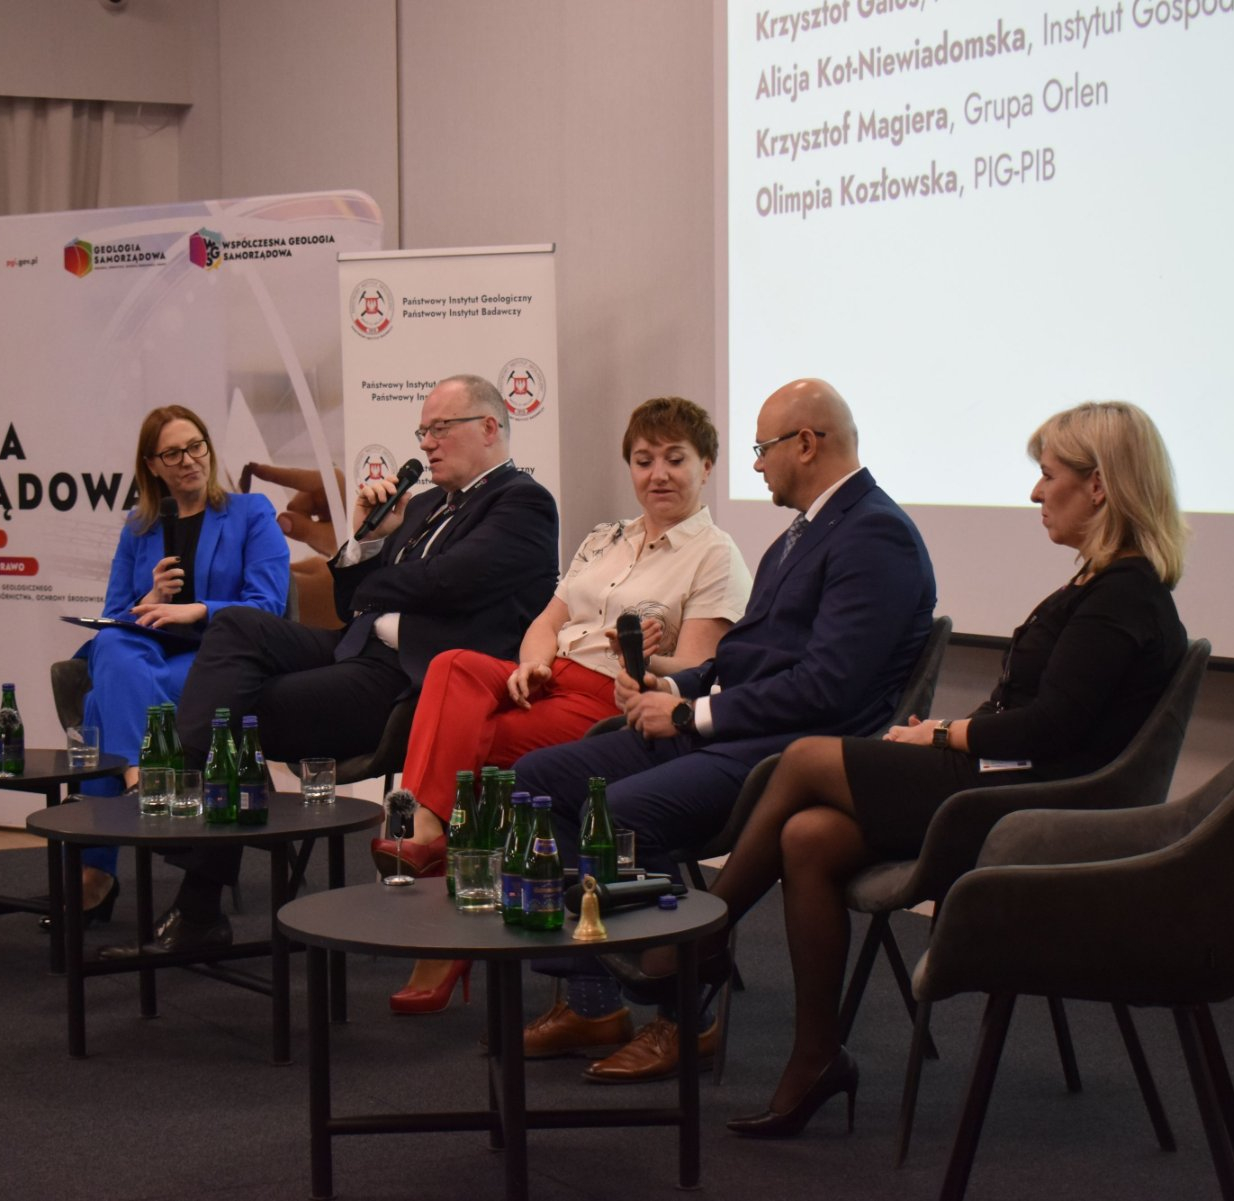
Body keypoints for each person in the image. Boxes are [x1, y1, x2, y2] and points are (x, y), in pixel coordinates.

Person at [622, 399, 1190, 1138]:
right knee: (809, 837)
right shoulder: (1098, 583)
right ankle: (816, 1057)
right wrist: (941, 734)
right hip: (1004, 778)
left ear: (1100, 486)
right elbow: (1035, 711)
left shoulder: (1124, 593)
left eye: (1049, 475)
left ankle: (704, 936)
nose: (1035, 492)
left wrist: (947, 734)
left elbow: (1054, 728)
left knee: (805, 756)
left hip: (1036, 803)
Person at [513, 378, 937, 1082]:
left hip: (785, 751)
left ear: (807, 443)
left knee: (622, 813)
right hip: (731, 730)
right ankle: (592, 1001)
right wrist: (673, 687)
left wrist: (691, 714)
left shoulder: (875, 535)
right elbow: (744, 657)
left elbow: (826, 689)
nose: (758, 464)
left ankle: (683, 1016)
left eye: (763, 448)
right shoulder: (806, 532)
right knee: (538, 783)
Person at [103, 374, 559, 956]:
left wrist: (379, 578)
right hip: (356, 645)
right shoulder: (421, 505)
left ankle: (196, 894)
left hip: (410, 677)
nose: (426, 443)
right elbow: (350, 600)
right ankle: (184, 791)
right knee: (237, 626)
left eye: (440, 429)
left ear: (489, 427)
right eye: (423, 431)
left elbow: (446, 583)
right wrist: (368, 540)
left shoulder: (522, 502)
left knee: (240, 710)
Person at [382, 396, 753, 1013]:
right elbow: (546, 622)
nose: (658, 474)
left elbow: (696, 671)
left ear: (707, 466)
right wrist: (531, 663)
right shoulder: (606, 538)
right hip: (548, 678)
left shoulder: (715, 555)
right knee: (451, 665)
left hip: (609, 700)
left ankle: (445, 907)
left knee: (476, 756)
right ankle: (430, 831)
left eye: (675, 459)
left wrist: (644, 655)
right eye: (644, 460)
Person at [68, 405, 290, 921]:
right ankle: (144, 777)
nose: (189, 460)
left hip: (217, 659)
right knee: (112, 645)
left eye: (196, 446)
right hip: (148, 653)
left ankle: (96, 873)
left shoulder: (250, 513)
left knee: (101, 705)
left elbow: (269, 606)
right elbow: (115, 615)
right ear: (152, 465)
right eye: (172, 453)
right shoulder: (139, 527)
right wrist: (149, 598)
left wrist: (198, 609)